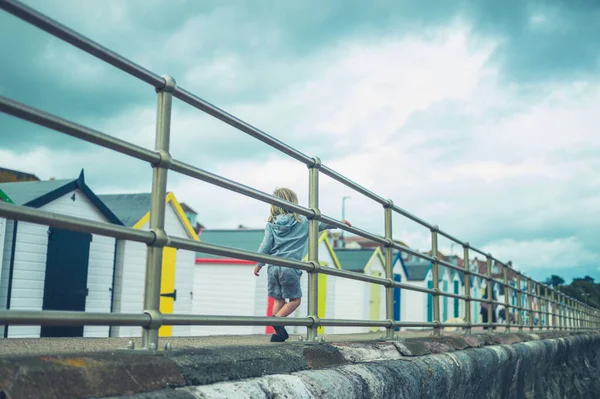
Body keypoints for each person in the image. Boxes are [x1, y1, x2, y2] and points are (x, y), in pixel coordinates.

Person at [253, 187, 351, 342]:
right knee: (295, 301)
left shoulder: (271, 224)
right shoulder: (303, 221)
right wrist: (338, 223)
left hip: (272, 267)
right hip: (290, 267)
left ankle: (278, 335)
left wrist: (259, 263)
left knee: (278, 300)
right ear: (294, 203)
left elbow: (265, 246)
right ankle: (277, 322)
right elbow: (321, 224)